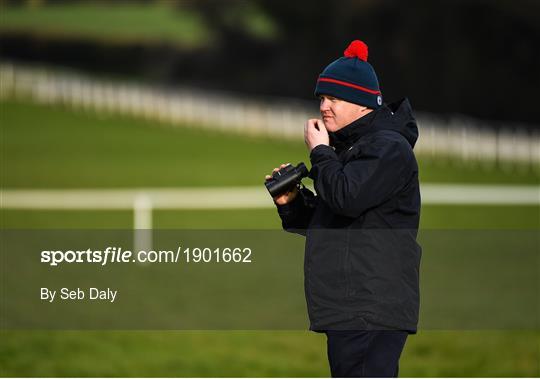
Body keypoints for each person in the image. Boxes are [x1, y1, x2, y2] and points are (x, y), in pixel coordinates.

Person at [265, 39, 421, 377]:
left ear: (364, 104)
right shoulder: (353, 148)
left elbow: (346, 198)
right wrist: (291, 203)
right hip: (352, 305)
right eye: (322, 98)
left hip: (370, 307)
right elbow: (336, 220)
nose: (324, 106)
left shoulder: (387, 149)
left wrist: (320, 153)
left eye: (334, 98)